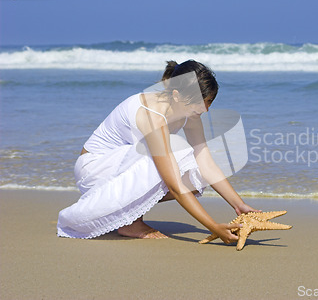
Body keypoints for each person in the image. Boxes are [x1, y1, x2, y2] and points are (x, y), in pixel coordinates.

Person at [57, 60, 260, 243]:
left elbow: (204, 159)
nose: (204, 109)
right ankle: (131, 223)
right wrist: (213, 226)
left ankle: (129, 217)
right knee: (174, 150)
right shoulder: (152, 115)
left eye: (208, 102)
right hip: (94, 170)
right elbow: (173, 184)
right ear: (176, 95)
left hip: (124, 165)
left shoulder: (189, 111)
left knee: (196, 177)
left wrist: (238, 204)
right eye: (200, 102)